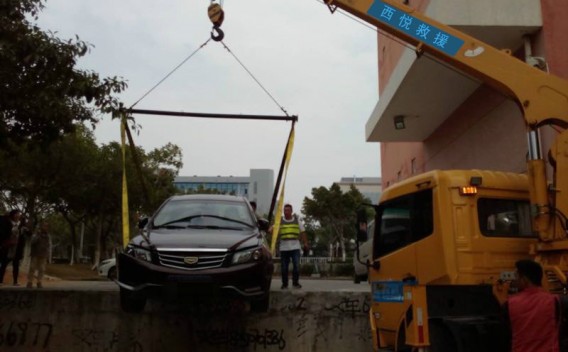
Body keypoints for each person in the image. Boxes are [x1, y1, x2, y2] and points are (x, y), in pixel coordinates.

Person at [493, 259, 560, 352]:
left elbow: (505, 327)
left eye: (516, 275)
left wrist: (501, 295)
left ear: (524, 279)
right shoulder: (555, 301)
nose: (513, 279)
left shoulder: (511, 303)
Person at [272, 203, 309, 290]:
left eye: (288, 210)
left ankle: (295, 283)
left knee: (296, 266)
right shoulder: (280, 221)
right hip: (284, 248)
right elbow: (272, 229)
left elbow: (303, 232)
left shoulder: (297, 221)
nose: (286, 212)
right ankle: (285, 284)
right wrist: (270, 228)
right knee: (284, 268)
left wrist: (306, 243)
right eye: (284, 210)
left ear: (291, 211)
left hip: (295, 247)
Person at [27, 221, 51, 289]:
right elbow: (32, 242)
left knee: (42, 269)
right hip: (35, 253)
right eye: (44, 226)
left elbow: (48, 245)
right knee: (32, 268)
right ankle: (30, 282)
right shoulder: (36, 234)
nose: (45, 227)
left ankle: (39, 282)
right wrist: (38, 235)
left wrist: (48, 253)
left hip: (43, 254)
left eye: (47, 226)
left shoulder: (48, 235)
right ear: (41, 226)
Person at [0, 209, 22, 285]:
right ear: (12, 215)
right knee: (4, 264)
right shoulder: (7, 223)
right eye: (16, 214)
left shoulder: (21, 225)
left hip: (17, 248)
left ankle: (15, 281)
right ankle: (0, 280)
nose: (18, 215)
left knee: (16, 265)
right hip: (8, 247)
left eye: (19, 214)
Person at [12, 216, 32, 286]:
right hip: (14, 248)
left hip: (17, 248)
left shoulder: (22, 228)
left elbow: (30, 234)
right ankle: (14, 281)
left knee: (15, 264)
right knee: (13, 264)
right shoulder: (17, 227)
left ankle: (15, 281)